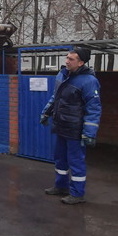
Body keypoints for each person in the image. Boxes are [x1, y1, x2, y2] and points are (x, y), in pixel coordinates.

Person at [40, 46, 101, 205]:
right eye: (67, 58)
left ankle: (77, 194)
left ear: (81, 63)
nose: (67, 61)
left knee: (76, 161)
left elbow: (94, 108)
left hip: (75, 128)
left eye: (71, 59)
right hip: (61, 124)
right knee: (60, 158)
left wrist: (89, 133)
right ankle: (61, 186)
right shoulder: (62, 75)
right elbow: (56, 97)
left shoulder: (89, 81)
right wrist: (46, 112)